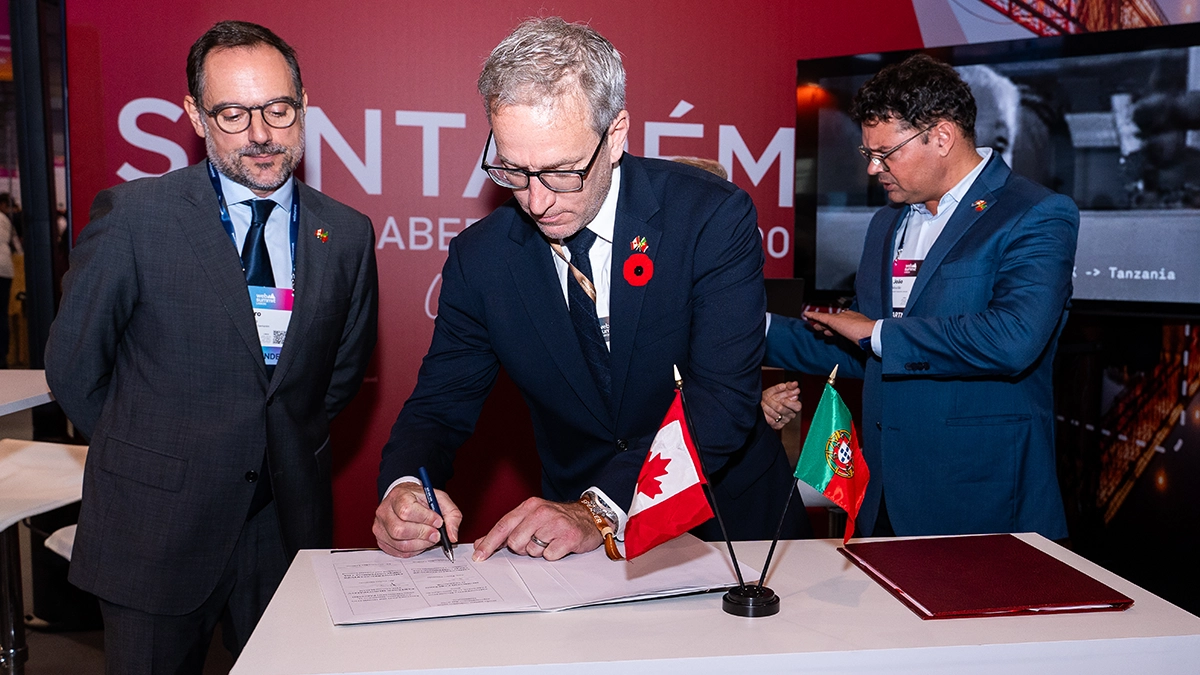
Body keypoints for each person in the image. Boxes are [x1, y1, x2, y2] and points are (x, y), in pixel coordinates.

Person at [375, 17, 808, 563]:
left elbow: (720, 399)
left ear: (617, 134)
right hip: (578, 551)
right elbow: (441, 404)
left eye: (561, 171)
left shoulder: (709, 217)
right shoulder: (481, 258)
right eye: (512, 170)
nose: (535, 201)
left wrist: (598, 509)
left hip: (727, 525)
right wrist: (404, 488)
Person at [45, 20, 377, 672]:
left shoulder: (346, 233)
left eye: (278, 109)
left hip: (282, 529)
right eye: (232, 113)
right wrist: (157, 451)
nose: (260, 133)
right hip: (155, 529)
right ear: (196, 115)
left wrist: (267, 447)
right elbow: (76, 366)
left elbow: (336, 377)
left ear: (304, 105)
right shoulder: (136, 217)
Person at [761, 54, 1078, 540]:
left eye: (886, 153)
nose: (873, 169)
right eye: (868, 153)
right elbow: (866, 352)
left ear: (942, 136)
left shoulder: (1034, 214)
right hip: (884, 496)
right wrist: (747, 327)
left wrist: (877, 332)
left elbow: (1015, 338)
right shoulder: (886, 222)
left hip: (983, 501)